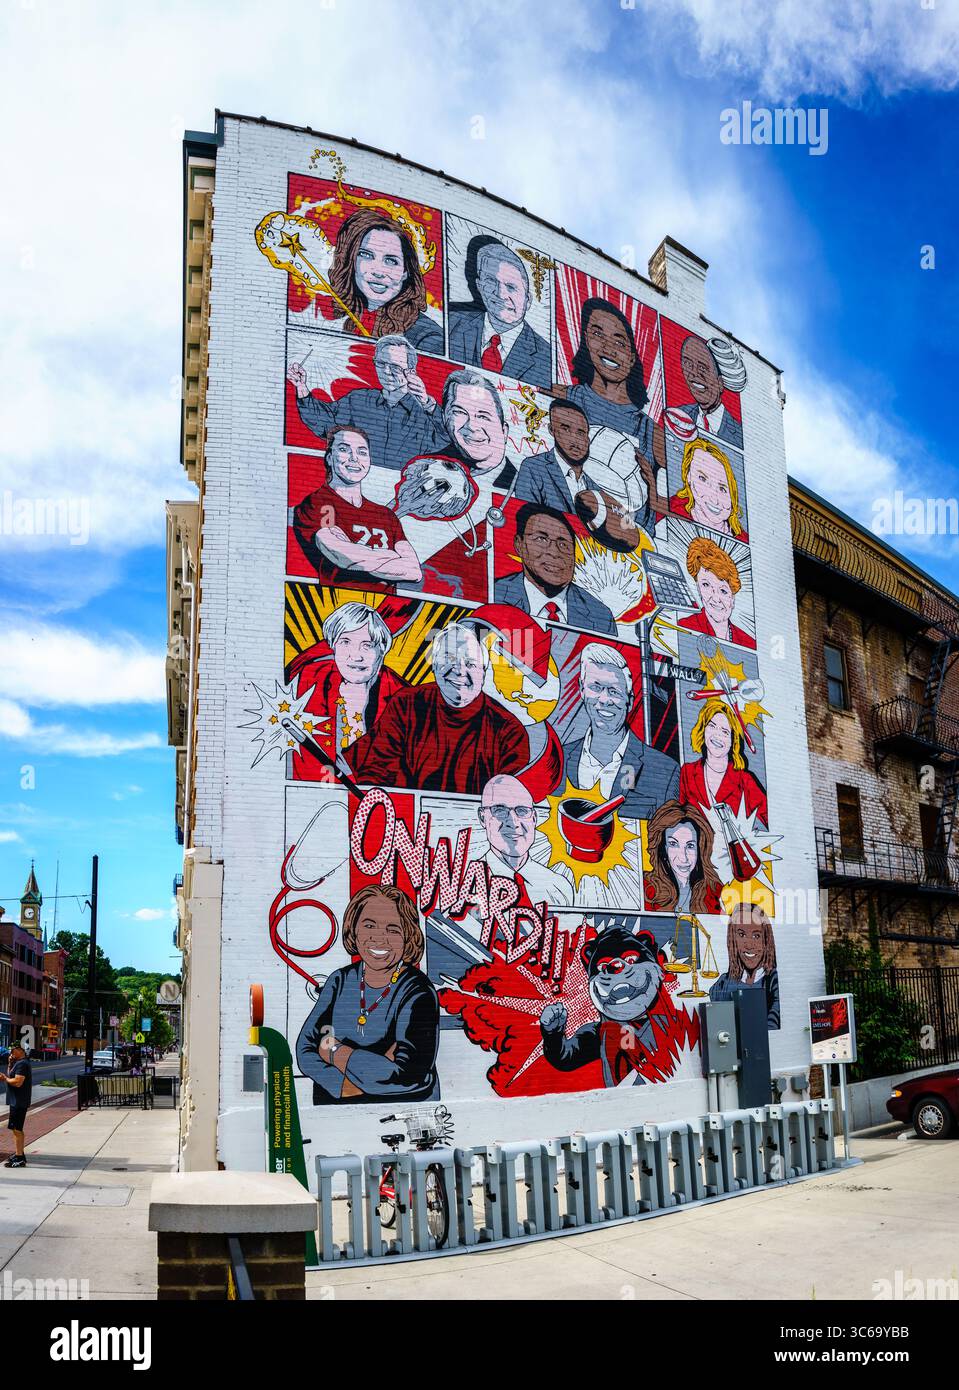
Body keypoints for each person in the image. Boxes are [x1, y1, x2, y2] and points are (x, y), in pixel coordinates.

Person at [296, 885, 440, 1103]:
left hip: (403, 1110)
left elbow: (409, 1073)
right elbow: (305, 1049)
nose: (379, 938)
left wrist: (334, 1051)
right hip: (336, 1110)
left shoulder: (417, 990)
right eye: (369, 925)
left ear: (407, 936)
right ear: (354, 929)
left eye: (393, 929)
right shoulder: (340, 980)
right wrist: (344, 1085)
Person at [345, 623, 530, 793]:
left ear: (484, 671)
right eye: (449, 658)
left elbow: (509, 799)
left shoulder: (509, 732)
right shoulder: (407, 704)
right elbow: (376, 772)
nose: (459, 671)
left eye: (471, 664)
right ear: (434, 665)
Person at [288, 335, 449, 472]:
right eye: (381, 363)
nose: (386, 371)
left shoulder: (424, 413)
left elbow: (448, 438)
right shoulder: (358, 400)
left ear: (411, 372)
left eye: (395, 367)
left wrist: (428, 403)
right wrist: (301, 387)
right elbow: (325, 423)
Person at [291, 425, 422, 590]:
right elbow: (342, 557)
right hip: (339, 605)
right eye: (344, 449)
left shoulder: (386, 516)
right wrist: (391, 556)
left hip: (383, 609)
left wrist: (357, 553)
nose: (354, 458)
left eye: (362, 452)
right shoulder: (320, 502)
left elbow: (414, 571)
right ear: (330, 458)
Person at [298, 207, 442, 352]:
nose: (378, 272)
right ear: (351, 261)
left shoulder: (427, 337)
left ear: (405, 272)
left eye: (391, 261)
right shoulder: (330, 317)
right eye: (366, 255)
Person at [288, 601, 408, 774]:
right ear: (333, 646)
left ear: (381, 651)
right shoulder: (314, 678)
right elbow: (306, 760)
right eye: (345, 642)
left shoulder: (401, 696)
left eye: (367, 645)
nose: (356, 656)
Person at [562, 643, 680, 818]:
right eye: (596, 687)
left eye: (614, 692)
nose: (604, 699)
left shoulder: (665, 771)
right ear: (581, 689)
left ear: (630, 701)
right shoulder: (560, 759)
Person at [494, 503, 617, 634]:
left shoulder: (601, 617)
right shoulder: (494, 595)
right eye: (541, 539)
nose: (554, 552)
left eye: (563, 544)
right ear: (519, 545)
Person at [448, 240, 551, 388]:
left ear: (527, 300)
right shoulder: (451, 324)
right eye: (491, 281)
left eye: (511, 287)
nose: (500, 294)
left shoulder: (546, 357)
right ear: (479, 285)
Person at [479, 774, 574, 909]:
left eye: (522, 811)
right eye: (500, 810)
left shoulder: (559, 887)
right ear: (483, 817)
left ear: (534, 818)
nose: (513, 823)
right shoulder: (466, 885)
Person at [679, 697, 768, 827]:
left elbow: (772, 821)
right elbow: (678, 817)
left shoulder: (744, 780)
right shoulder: (687, 772)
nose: (717, 735)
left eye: (725, 732)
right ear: (703, 729)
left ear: (733, 740)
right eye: (712, 726)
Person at [439, 369, 517, 489]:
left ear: (504, 431)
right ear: (445, 418)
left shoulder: (525, 486)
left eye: (483, 416)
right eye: (459, 412)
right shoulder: (429, 467)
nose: (471, 426)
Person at [644, 800, 724, 913]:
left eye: (690, 846)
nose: (683, 857)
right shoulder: (646, 888)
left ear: (700, 849)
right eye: (673, 844)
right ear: (663, 848)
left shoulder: (714, 891)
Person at [709, 903, 780, 1028]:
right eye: (741, 935)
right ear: (733, 940)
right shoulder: (721, 986)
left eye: (756, 936)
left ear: (766, 940)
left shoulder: (773, 982)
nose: (749, 945)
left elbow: (773, 1023)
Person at [678, 535, 756, 648]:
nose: (715, 598)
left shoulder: (749, 643)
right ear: (698, 589)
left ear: (732, 598)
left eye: (723, 591)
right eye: (706, 585)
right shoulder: (684, 628)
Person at [673, 334, 746, 450]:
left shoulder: (739, 437)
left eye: (702, 368)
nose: (693, 373)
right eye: (688, 364)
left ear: (720, 383)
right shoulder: (678, 416)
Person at [670, 437, 748, 541]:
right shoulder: (671, 512)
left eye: (722, 489)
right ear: (689, 476)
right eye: (702, 479)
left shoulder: (742, 539)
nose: (714, 499)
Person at [1, 1042, 32, 1169]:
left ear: (20, 1050)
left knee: (17, 1130)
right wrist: (10, 1063)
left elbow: (18, 1082)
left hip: (19, 1101)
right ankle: (20, 1155)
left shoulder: (22, 1064)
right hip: (17, 1101)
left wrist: (4, 1079)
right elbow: (12, 1075)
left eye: (13, 1050)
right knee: (16, 1129)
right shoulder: (19, 1063)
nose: (11, 1053)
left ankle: (20, 1158)